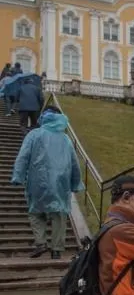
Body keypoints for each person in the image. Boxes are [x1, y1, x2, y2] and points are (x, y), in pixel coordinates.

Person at [10, 106, 84, 259]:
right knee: (60, 215)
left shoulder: (34, 135)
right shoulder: (65, 139)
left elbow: (23, 156)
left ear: (43, 117)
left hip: (38, 180)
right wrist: (76, 183)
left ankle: (41, 242)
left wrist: (18, 176)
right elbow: (74, 163)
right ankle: (56, 249)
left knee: (35, 212)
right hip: (61, 183)